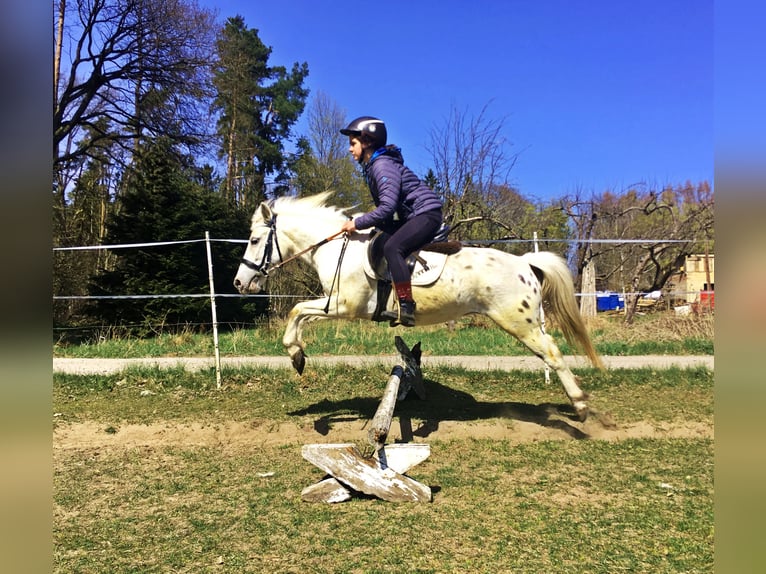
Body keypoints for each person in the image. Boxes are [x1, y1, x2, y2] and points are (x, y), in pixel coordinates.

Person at [339, 116, 443, 327]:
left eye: (353, 143)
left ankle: (406, 306)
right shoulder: (375, 166)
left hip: (425, 214)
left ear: (367, 142)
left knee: (393, 247)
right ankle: (386, 302)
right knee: (381, 237)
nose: (350, 149)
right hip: (414, 215)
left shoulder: (381, 165)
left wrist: (357, 223)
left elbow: (386, 208)